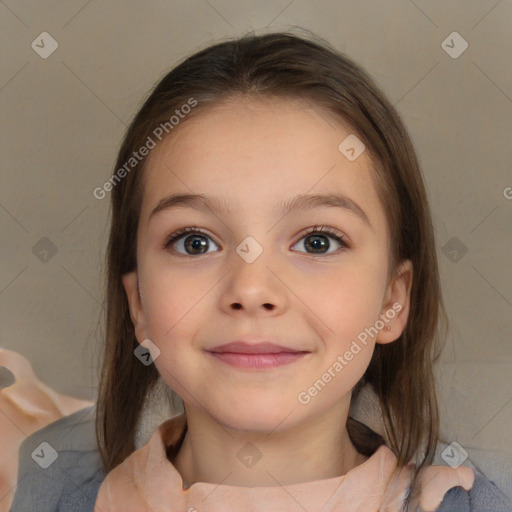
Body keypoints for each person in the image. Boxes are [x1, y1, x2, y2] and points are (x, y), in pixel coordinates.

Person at [11, 30, 511, 512]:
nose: (251, 290)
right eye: (195, 242)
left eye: (318, 241)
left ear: (392, 301)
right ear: (138, 302)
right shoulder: (42, 492)